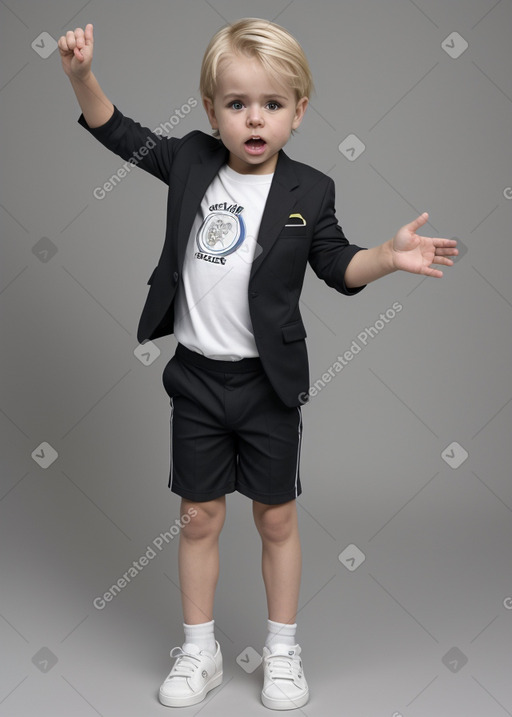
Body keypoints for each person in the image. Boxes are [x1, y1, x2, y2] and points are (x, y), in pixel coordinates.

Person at [58, 18, 457, 711]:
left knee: (276, 519)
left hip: (267, 387)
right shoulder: (187, 160)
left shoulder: (312, 190)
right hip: (198, 380)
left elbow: (338, 267)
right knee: (199, 517)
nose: (254, 118)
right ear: (211, 110)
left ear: (298, 112)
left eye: (272, 104)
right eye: (237, 103)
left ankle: (281, 651)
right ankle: (200, 649)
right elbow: (116, 130)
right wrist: (80, 76)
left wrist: (388, 258)